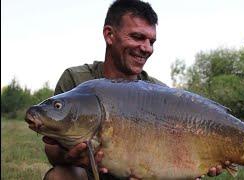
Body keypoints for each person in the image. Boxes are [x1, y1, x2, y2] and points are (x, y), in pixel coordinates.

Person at [43, 0, 230, 179]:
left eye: (152, 41)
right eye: (137, 37)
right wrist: (70, 157)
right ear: (109, 35)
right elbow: (51, 150)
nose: (147, 48)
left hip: (147, 175)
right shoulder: (76, 79)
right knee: (61, 176)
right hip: (89, 175)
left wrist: (198, 165)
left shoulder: (160, 93)